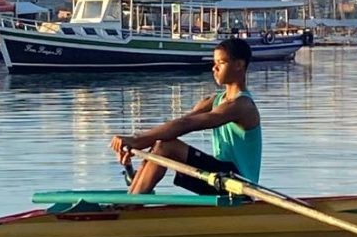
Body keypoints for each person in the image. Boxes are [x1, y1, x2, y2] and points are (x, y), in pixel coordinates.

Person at [110, 37, 261, 194]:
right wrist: (132, 157)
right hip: (219, 178)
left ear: (239, 65)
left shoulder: (242, 106)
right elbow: (179, 123)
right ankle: (132, 199)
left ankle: (131, 207)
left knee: (166, 146)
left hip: (239, 184)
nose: (214, 68)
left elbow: (188, 124)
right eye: (214, 62)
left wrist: (137, 140)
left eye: (221, 63)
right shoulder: (213, 101)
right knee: (160, 142)